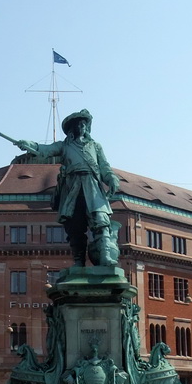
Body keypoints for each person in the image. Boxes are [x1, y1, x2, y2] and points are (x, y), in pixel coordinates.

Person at [10, 109, 121, 267]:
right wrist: (28, 144)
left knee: (101, 221)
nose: (82, 127)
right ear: (72, 129)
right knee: (75, 226)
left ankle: (105, 258)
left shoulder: (95, 146)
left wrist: (112, 179)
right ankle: (78, 263)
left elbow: (104, 166)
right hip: (73, 187)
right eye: (79, 124)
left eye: (84, 124)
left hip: (93, 187)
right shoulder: (64, 146)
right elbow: (45, 150)